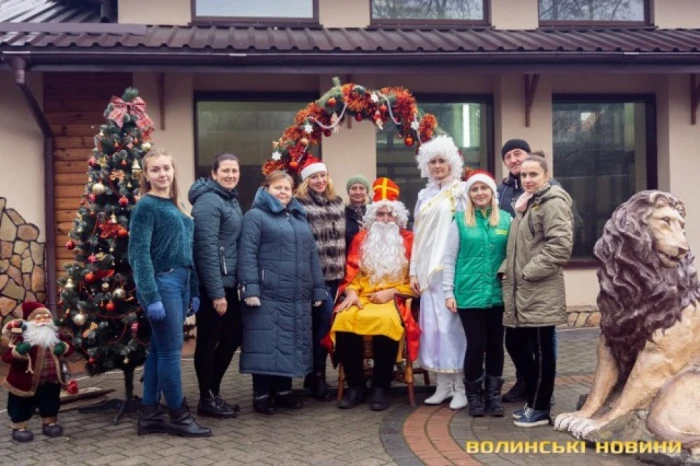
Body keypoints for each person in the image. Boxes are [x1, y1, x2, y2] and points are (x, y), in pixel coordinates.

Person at [129, 148, 210, 437]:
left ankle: (149, 413)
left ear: (173, 171)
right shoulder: (146, 207)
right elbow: (138, 254)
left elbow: (187, 253)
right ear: (146, 175)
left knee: (159, 351)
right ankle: (177, 415)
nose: (162, 173)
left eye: (167, 168)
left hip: (181, 282)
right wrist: (151, 296)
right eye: (156, 169)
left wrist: (194, 289)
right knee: (171, 353)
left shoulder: (177, 207)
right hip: (161, 284)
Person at [238, 170, 326, 415]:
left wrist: (318, 289)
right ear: (266, 189)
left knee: (287, 342)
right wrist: (250, 288)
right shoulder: (255, 216)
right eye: (278, 188)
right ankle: (262, 394)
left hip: (296, 295)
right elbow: (247, 254)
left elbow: (311, 256)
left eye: (287, 188)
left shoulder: (298, 218)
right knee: (266, 343)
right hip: (267, 294)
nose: (283, 192)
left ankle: (284, 392)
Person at [330, 177, 420, 411]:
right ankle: (356, 386)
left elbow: (417, 281)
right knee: (344, 319)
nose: (385, 219)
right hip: (363, 296)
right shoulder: (361, 238)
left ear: (398, 217)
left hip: (395, 298)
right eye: (380, 215)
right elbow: (351, 273)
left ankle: (381, 387)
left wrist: (392, 292)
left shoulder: (410, 240)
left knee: (385, 321)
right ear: (372, 217)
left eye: (390, 215)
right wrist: (350, 292)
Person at [500, 155, 574, 427]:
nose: (528, 180)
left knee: (542, 352)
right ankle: (534, 400)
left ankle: (541, 408)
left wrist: (527, 272)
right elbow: (519, 246)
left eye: (534, 174)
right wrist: (505, 267)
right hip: (522, 290)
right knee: (515, 343)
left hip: (540, 289)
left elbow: (560, 247)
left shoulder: (553, 202)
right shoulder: (528, 204)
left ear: (546, 175)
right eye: (524, 176)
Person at [444, 170, 511, 418]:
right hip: (469, 295)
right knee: (475, 346)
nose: (479, 193)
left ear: (492, 192)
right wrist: (448, 292)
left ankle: (492, 395)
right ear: (469, 194)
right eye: (474, 189)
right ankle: (474, 395)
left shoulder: (506, 220)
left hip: (498, 295)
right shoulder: (460, 221)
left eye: (484, 188)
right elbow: (449, 259)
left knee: (495, 345)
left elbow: (512, 256)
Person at [409, 135, 468, 410]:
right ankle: (442, 386)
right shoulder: (423, 196)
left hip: (449, 271)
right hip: (426, 274)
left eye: (441, 160)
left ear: (452, 162)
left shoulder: (461, 192)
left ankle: (460, 387)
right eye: (431, 161)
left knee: (451, 331)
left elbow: (466, 233)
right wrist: (413, 272)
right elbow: (417, 237)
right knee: (432, 330)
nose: (436, 165)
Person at [189, 153, 243, 419]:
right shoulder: (209, 201)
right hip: (214, 284)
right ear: (213, 173)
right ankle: (206, 398)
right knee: (209, 341)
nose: (231, 175)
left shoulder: (229, 199)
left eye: (235, 170)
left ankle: (213, 392)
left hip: (229, 282)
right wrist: (216, 293)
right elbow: (206, 249)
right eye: (226, 171)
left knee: (233, 337)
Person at [295, 156, 346, 401]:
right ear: (306, 181)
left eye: (322, 176)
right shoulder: (299, 205)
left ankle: (312, 374)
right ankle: (317, 377)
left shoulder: (337, 203)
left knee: (321, 327)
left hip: (337, 277)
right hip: (315, 278)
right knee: (322, 326)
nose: (319, 180)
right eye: (313, 177)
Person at [1, 303, 73, 443]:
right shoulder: (22, 336)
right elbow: (6, 357)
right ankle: (19, 427)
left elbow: (69, 348)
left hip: (51, 378)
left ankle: (49, 422)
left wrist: (62, 348)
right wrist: (19, 351)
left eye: (47, 317)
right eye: (39, 318)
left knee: (50, 400)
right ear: (30, 320)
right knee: (21, 403)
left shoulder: (55, 334)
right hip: (25, 380)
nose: (43, 321)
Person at [344, 174, 371, 251]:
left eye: (362, 188)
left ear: (367, 192)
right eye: (353, 188)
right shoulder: (341, 213)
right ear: (348, 192)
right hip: (349, 258)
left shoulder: (375, 212)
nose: (358, 192)